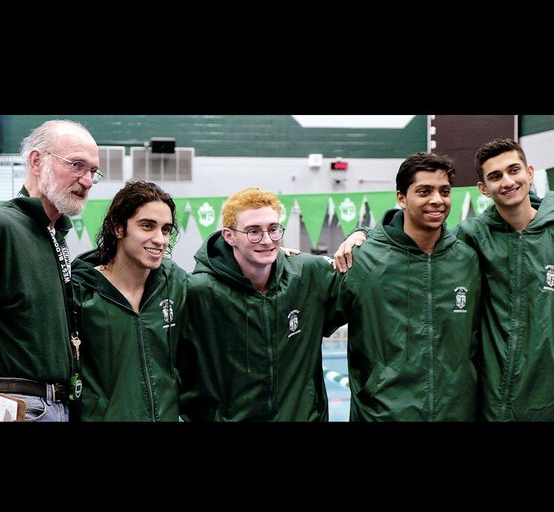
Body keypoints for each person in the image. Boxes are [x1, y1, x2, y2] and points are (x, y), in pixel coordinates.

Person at [330, 152, 481, 421]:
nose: (437, 200)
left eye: (444, 191)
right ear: (401, 198)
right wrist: (271, 255)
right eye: (424, 191)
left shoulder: (466, 260)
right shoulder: (364, 260)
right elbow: (307, 321)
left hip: (456, 412)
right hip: (383, 414)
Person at [181, 186, 345, 421]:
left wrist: (360, 233)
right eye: (253, 232)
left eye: (273, 229)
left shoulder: (307, 275)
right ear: (229, 236)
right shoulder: (200, 293)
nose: (267, 240)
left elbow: (366, 275)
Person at [0, 119, 100, 422]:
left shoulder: (54, 234)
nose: (88, 181)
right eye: (77, 165)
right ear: (36, 161)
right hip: (19, 403)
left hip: (56, 404)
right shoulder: (6, 226)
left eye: (93, 171)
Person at [71, 182, 192, 421]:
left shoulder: (175, 283)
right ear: (118, 228)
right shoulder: (81, 292)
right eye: (147, 226)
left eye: (166, 229)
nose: (160, 239)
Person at [454, 138, 554, 421]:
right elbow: (416, 243)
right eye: (495, 176)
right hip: (494, 401)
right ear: (483, 188)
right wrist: (361, 234)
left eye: (514, 170)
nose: (507, 181)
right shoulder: (471, 236)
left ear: (529, 173)